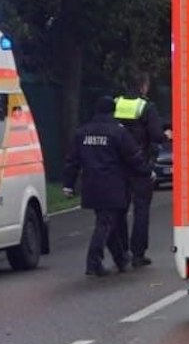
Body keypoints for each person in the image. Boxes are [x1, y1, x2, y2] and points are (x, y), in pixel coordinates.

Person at [63, 104, 149, 277]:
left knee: (109, 223)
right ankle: (93, 262)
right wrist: (146, 172)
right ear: (113, 111)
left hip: (91, 185)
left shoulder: (82, 132)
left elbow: (72, 161)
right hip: (112, 185)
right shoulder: (118, 132)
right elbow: (133, 157)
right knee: (105, 224)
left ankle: (121, 259)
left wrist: (68, 184)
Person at [113, 69, 170, 268]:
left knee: (119, 210)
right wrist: (165, 135)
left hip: (118, 166)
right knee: (141, 210)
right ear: (144, 86)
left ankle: (121, 252)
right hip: (141, 164)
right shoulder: (146, 106)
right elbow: (155, 135)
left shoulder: (116, 103)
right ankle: (138, 254)